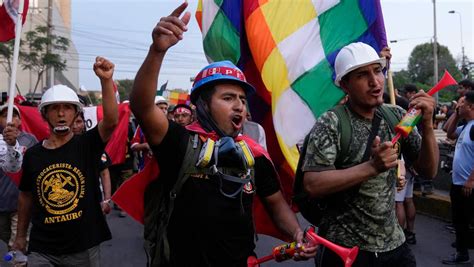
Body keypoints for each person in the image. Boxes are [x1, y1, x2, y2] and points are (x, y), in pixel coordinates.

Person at [129, 3, 316, 266]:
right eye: (228, 98)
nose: (239, 105)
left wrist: (296, 231)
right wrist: (157, 51)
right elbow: (142, 105)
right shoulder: (179, 142)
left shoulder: (255, 154)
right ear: (202, 104)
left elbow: (275, 204)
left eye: (242, 98)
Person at [301, 42, 439, 267]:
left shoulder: (396, 115)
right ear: (345, 84)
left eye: (377, 71)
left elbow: (428, 171)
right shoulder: (331, 123)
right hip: (345, 250)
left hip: (394, 247)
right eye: (362, 75)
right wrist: (373, 167)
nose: (375, 82)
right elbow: (313, 184)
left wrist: (428, 125)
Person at [12, 56, 118, 266]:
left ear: (76, 113)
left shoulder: (87, 145)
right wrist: (21, 235)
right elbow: (25, 197)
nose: (61, 113)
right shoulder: (33, 155)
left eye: (68, 108)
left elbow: (111, 121)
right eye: (54, 108)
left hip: (83, 247)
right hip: (42, 249)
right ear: (45, 114)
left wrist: (106, 81)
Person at [442, 91, 474, 265]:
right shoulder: (467, 125)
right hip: (459, 183)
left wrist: (471, 180)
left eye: (463, 104)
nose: (459, 105)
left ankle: (462, 254)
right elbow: (448, 132)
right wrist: (455, 113)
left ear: (471, 106)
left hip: (468, 184)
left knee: (465, 221)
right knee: (459, 220)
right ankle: (462, 252)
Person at [0, 104, 29, 250]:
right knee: (7, 239)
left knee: (17, 246)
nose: (10, 118)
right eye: (5, 116)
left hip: (20, 202)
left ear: (20, 120)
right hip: (2, 202)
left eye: (14, 115)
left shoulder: (30, 140)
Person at [72, 111, 112, 215]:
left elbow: (104, 172)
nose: (75, 126)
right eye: (72, 122)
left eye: (79, 121)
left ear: (84, 123)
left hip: (93, 203)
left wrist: (107, 200)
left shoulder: (93, 144)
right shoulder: (56, 147)